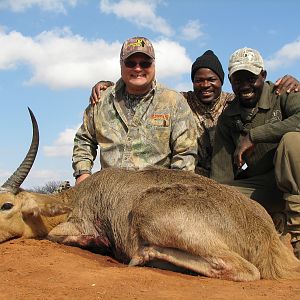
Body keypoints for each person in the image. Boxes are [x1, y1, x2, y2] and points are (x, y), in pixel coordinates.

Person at [90, 51, 300, 177]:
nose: (205, 85)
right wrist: (111, 86)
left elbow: (258, 92)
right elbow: (149, 95)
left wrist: (291, 82)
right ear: (192, 82)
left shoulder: (234, 102)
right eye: (199, 80)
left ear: (222, 81)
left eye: (211, 79)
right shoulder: (180, 102)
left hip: (230, 177)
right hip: (192, 178)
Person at [211, 47, 300, 259]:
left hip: (296, 184)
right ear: (231, 82)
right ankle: (270, 224)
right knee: (218, 196)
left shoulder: (284, 93)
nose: (244, 86)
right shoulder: (228, 118)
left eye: (250, 78)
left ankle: (298, 234)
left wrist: (254, 135)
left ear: (263, 76)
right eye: (238, 80)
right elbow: (220, 178)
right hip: (267, 187)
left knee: (292, 140)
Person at [72, 36, 198, 185]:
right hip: (108, 194)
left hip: (156, 194)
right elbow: (84, 139)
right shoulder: (101, 100)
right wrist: (83, 173)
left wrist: (174, 191)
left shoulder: (174, 102)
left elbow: (185, 152)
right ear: (121, 64)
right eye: (131, 63)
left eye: (145, 63)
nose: (138, 69)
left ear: (154, 65)